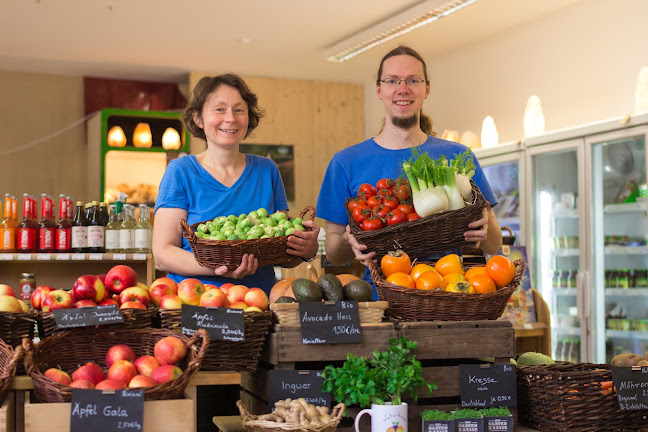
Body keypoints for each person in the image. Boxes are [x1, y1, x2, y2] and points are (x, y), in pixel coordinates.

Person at [316, 45, 502, 291]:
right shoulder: (345, 162)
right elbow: (333, 254)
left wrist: (485, 228)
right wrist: (348, 241)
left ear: (427, 89)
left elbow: (494, 244)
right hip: (381, 299)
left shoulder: (457, 155)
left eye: (413, 80)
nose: (403, 89)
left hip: (449, 293)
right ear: (379, 90)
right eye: (393, 81)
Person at [153, 73, 320, 294]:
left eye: (239, 110)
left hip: (257, 303)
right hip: (196, 302)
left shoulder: (267, 170)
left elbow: (280, 253)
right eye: (219, 109)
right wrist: (220, 269)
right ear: (198, 118)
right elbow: (162, 254)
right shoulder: (181, 171)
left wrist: (306, 249)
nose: (230, 118)